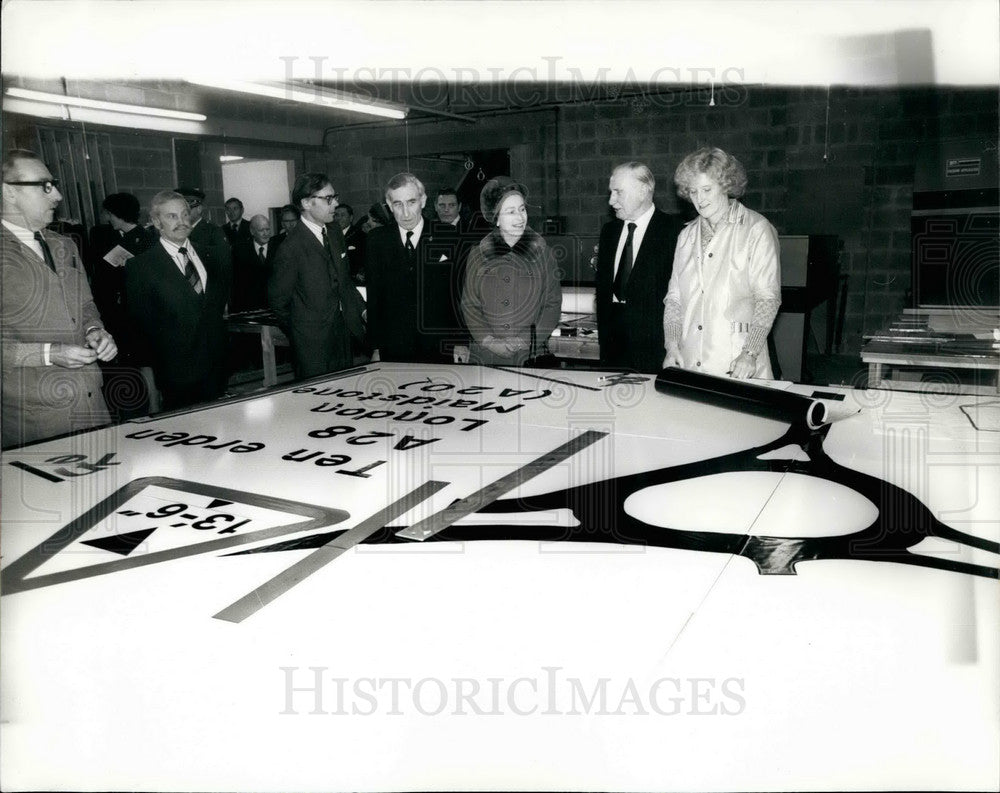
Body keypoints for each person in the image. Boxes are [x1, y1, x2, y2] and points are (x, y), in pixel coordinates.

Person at [1, 149, 117, 447]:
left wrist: (95, 330)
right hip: (35, 421)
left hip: (93, 407)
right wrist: (49, 353)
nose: (59, 196)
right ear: (9, 192)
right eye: (45, 186)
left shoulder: (65, 244)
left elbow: (85, 305)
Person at [662, 146, 782, 379]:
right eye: (693, 191)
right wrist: (672, 346)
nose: (699, 199)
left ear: (726, 186)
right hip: (689, 361)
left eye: (706, 189)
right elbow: (674, 300)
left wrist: (749, 353)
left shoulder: (756, 229)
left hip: (739, 362)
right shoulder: (686, 236)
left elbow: (768, 299)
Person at [126, 190, 231, 411]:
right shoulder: (141, 267)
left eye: (184, 214)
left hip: (218, 367)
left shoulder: (214, 256)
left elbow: (216, 308)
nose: (182, 222)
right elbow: (140, 329)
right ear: (156, 221)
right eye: (171, 216)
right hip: (176, 376)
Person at [268, 173, 366, 379]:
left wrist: (362, 311)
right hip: (311, 345)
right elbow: (279, 302)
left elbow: (344, 281)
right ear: (306, 203)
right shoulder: (290, 248)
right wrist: (303, 331)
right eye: (328, 198)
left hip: (342, 334)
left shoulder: (335, 233)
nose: (336, 203)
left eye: (335, 197)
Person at [365, 173, 468, 364]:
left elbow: (459, 293)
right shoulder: (376, 240)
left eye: (411, 202)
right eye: (397, 204)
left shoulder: (449, 237)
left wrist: (460, 341)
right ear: (388, 204)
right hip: (393, 345)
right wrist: (376, 347)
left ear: (423, 201)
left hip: (439, 345)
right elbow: (375, 298)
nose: (405, 213)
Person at [460, 176, 562, 366]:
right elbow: (469, 305)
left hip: (530, 354)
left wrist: (526, 340)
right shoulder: (478, 254)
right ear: (496, 219)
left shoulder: (543, 253)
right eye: (511, 211)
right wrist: (489, 341)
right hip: (486, 356)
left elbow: (552, 304)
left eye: (522, 209)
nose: (520, 217)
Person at [595, 161, 683, 374]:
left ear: (644, 191)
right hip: (612, 350)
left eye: (618, 192)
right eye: (611, 193)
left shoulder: (673, 232)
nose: (612, 201)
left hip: (653, 351)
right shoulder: (609, 231)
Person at [176, 186, 231, 271]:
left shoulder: (213, 231)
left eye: (187, 209)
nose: (183, 213)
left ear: (199, 209)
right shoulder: (178, 231)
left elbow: (223, 262)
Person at [230, 214, 277, 312]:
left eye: (267, 229)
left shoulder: (279, 248)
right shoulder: (240, 251)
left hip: (275, 306)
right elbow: (236, 282)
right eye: (261, 230)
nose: (265, 233)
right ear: (252, 231)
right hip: (249, 307)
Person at [334, 202, 366, 282]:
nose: (339, 218)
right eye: (336, 215)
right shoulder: (329, 236)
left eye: (343, 215)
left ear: (351, 218)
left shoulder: (360, 236)